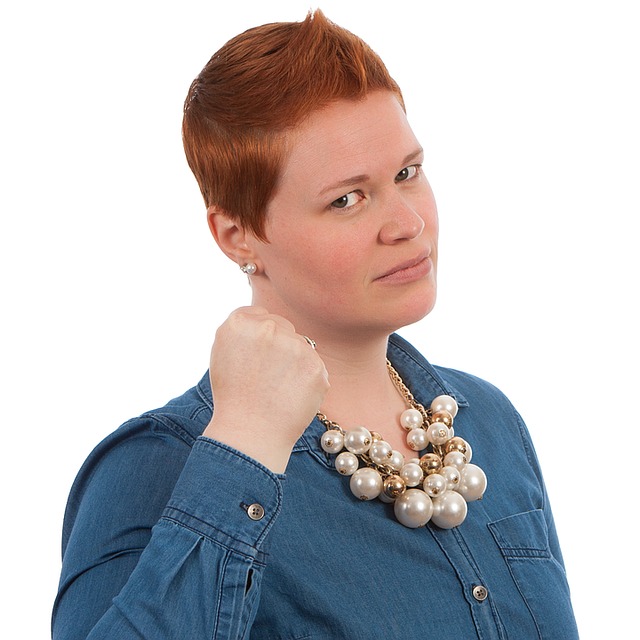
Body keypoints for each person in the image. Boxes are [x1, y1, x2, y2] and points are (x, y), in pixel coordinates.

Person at [52, 10, 579, 639]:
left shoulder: (488, 423)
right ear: (237, 234)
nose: (406, 224)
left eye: (407, 173)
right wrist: (242, 451)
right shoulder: (157, 467)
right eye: (346, 199)